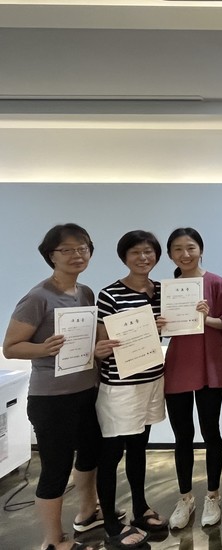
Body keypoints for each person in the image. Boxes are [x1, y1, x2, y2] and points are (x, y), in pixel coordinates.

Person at [3, 223, 102, 550]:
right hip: (52, 398)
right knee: (56, 468)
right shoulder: (37, 297)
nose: (77, 255)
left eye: (83, 248)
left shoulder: (85, 292)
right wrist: (43, 348)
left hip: (86, 391)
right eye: (67, 250)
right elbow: (11, 347)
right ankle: (53, 540)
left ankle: (87, 513)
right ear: (51, 255)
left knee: (89, 454)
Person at [93, 230, 169, 548]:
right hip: (120, 386)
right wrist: (101, 349)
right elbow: (101, 343)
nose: (143, 257)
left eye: (149, 251)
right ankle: (111, 523)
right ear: (124, 256)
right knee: (111, 454)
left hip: (152, 380)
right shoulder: (110, 294)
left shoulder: (163, 291)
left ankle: (140, 508)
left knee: (139, 448)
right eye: (136, 252)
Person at [163, 227, 222, 529]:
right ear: (170, 254)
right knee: (182, 436)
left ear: (200, 250)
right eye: (178, 249)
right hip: (178, 365)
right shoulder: (165, 288)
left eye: (190, 247)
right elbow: (161, 330)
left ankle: (213, 495)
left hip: (209, 364)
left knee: (211, 431)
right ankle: (185, 497)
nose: (185, 254)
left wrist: (207, 317)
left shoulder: (216, 282)